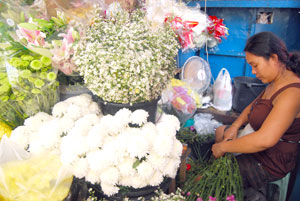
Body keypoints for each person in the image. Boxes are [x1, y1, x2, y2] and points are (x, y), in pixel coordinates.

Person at [212, 31, 300, 200]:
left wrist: (223, 147)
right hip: (259, 143)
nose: (253, 72)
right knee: (220, 132)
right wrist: (236, 126)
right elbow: (253, 107)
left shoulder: (292, 93)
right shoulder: (276, 80)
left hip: (271, 160)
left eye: (255, 65)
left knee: (215, 176)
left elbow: (265, 140)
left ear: (273, 59)